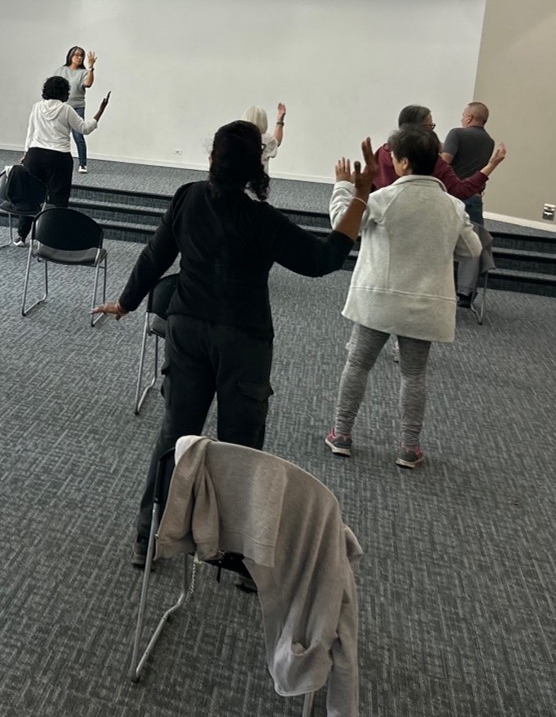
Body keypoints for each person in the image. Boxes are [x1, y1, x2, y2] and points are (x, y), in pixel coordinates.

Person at [91, 121, 374, 568]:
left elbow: (155, 255)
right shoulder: (263, 221)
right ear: (256, 168)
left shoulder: (187, 197)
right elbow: (324, 260)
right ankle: (235, 552)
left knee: (175, 436)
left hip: (186, 330)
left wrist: (127, 302)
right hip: (244, 340)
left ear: (212, 160)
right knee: (240, 449)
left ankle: (149, 538)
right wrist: (359, 196)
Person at [325, 124, 482, 469]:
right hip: (425, 306)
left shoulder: (383, 199)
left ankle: (342, 435)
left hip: (377, 301)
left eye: (393, 157)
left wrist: (342, 187)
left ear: (404, 163)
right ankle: (409, 448)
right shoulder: (454, 207)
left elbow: (341, 224)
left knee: (358, 364)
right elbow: (471, 248)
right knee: (414, 376)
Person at [15, 75, 110, 245]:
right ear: (64, 93)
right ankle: (51, 239)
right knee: (58, 200)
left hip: (35, 156)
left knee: (31, 197)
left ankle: (21, 236)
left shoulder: (36, 107)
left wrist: (25, 154)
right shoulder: (66, 110)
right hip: (58, 158)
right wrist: (100, 111)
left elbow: (30, 133)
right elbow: (85, 129)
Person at [374, 104, 505, 197]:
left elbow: (370, 186)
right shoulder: (429, 160)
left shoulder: (382, 152)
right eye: (430, 126)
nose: (432, 131)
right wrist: (492, 165)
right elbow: (460, 191)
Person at [442, 101, 498, 307]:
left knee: (444, 241)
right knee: (472, 241)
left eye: (463, 115)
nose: (461, 119)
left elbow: (444, 162)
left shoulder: (457, 134)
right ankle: (465, 292)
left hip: (452, 197)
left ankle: (440, 288)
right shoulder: (489, 142)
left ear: (469, 118)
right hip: (474, 198)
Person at [55, 47, 96, 173]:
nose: (79, 58)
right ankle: (55, 161)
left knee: (78, 135)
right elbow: (54, 85)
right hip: (61, 106)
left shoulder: (84, 72)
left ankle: (82, 164)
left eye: (81, 56)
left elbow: (88, 84)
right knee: (57, 134)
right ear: (70, 56)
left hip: (77, 107)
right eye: (77, 55)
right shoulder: (61, 70)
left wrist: (91, 68)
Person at [242, 103, 287, 175]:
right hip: (260, 181)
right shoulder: (267, 140)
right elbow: (277, 142)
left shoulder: (236, 138)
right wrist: (279, 121)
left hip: (238, 181)